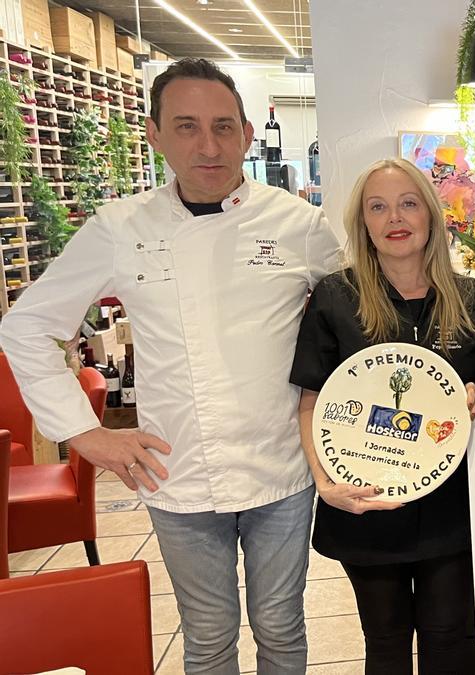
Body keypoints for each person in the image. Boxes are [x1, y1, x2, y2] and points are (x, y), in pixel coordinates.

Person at [0, 58, 341, 673]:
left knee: (282, 628)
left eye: (224, 127)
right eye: (186, 126)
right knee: (208, 637)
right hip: (177, 472)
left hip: (281, 469)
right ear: (155, 134)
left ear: (246, 133)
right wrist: (84, 435)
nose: (208, 146)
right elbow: (26, 326)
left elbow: (357, 316)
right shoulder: (119, 227)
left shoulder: (300, 224)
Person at [289, 158, 475, 675]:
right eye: (377, 207)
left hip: (452, 504)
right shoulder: (336, 297)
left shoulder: (470, 297)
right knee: (386, 640)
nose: (393, 217)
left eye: (407, 203)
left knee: (449, 639)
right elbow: (312, 400)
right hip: (367, 502)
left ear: (430, 215)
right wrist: (324, 483)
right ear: (364, 223)